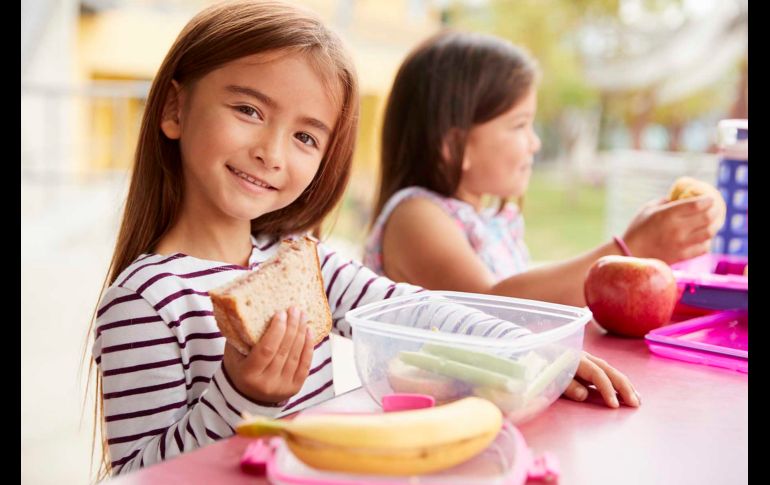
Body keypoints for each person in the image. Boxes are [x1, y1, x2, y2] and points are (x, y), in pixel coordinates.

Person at [87, 7, 639, 478]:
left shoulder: (306, 263)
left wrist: (529, 354)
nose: (273, 152)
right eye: (249, 110)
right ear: (175, 110)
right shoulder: (145, 301)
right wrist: (241, 393)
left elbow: (416, 313)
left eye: (305, 136)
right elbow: (141, 474)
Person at [366, 30, 720, 310]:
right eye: (520, 125)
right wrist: (630, 249)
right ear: (452, 146)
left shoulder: (489, 220)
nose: (534, 143)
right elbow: (492, 306)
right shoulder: (414, 216)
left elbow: (535, 293)